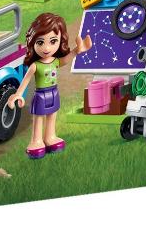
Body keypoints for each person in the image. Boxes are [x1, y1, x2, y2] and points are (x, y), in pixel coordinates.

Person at [7, 13, 92, 159]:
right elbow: (26, 80)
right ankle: (36, 140)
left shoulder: (54, 61)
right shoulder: (35, 65)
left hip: (54, 93)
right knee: (39, 118)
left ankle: (50, 137)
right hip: (40, 95)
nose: (46, 48)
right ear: (32, 42)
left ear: (60, 41)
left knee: (52, 115)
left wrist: (76, 51)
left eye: (53, 41)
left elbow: (65, 60)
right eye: (40, 42)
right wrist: (18, 94)